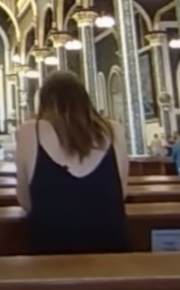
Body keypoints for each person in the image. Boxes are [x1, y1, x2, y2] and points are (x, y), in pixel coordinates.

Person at [14, 70, 130, 255]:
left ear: (44, 100)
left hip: (51, 253)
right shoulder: (114, 129)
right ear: (84, 98)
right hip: (110, 252)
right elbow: (121, 193)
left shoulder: (30, 130)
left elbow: (26, 202)